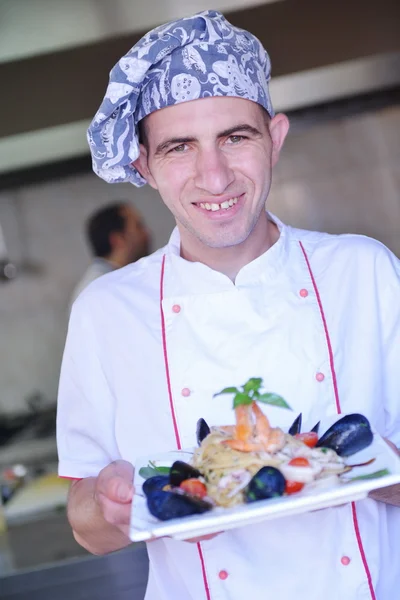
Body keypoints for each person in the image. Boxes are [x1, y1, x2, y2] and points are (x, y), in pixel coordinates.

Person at [57, 10, 400, 600]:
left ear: (276, 138)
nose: (214, 177)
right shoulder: (106, 312)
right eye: (179, 148)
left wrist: (379, 471)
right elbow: (89, 529)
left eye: (235, 137)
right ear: (144, 166)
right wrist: (106, 500)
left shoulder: (365, 271)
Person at [69, 202, 150, 307]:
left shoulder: (110, 282)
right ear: (118, 240)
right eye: (138, 226)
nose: (147, 233)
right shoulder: (99, 290)